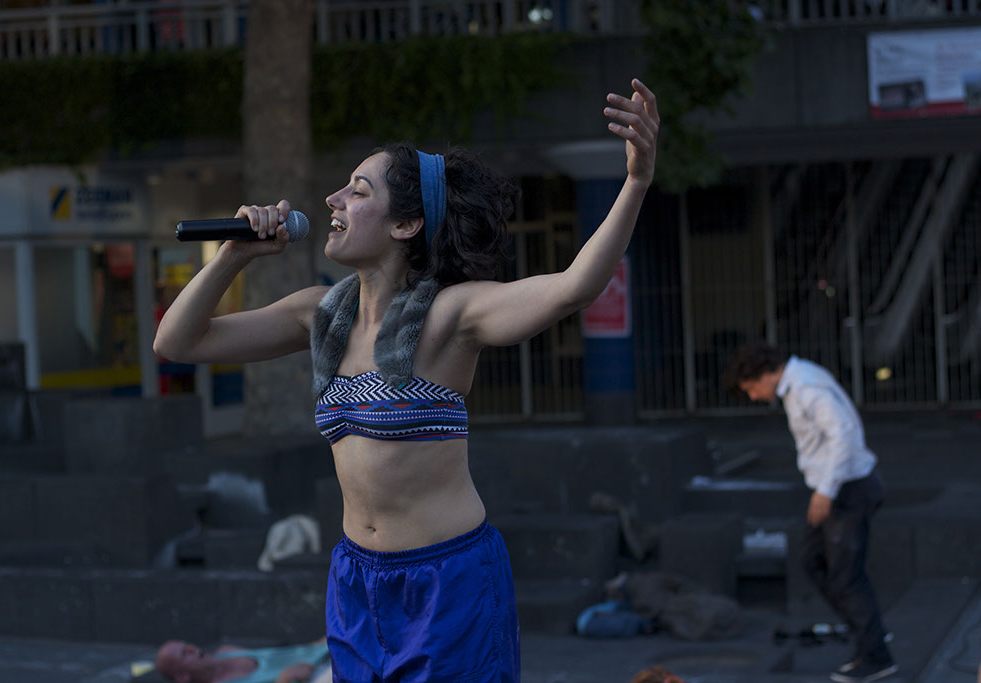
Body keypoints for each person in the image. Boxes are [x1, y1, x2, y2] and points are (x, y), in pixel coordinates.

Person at [154, 77, 659, 681]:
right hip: (355, 582)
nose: (334, 199)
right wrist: (232, 256)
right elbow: (176, 343)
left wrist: (635, 181)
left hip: (446, 583)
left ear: (405, 225)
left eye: (358, 190)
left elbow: (575, 287)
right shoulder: (320, 313)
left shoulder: (451, 316)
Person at [724, 342, 897, 683]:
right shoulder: (797, 383)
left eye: (751, 389)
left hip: (848, 488)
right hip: (836, 488)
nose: (755, 397)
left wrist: (825, 492)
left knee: (845, 575)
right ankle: (869, 633)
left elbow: (843, 436)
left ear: (763, 374)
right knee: (812, 559)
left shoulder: (805, 385)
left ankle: (876, 654)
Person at [154, 639, 330, 683]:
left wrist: (321, 642)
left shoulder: (227, 651)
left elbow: (294, 652)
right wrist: (284, 679)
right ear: (182, 676)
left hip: (325, 655)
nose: (192, 648)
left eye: (187, 645)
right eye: (184, 654)